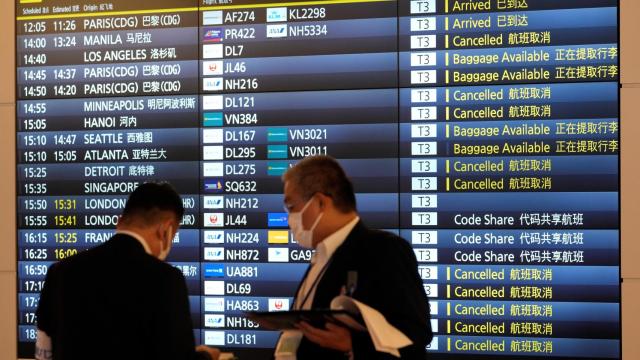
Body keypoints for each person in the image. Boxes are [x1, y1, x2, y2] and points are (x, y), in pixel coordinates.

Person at [35, 182, 220, 360]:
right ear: (166, 229)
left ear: (120, 221)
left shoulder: (60, 272)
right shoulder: (166, 279)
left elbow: (43, 351)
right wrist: (205, 356)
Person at [277, 155, 433, 359]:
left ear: (320, 203)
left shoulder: (384, 250)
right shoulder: (323, 255)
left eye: (291, 208)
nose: (289, 219)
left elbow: (416, 333)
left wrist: (353, 345)